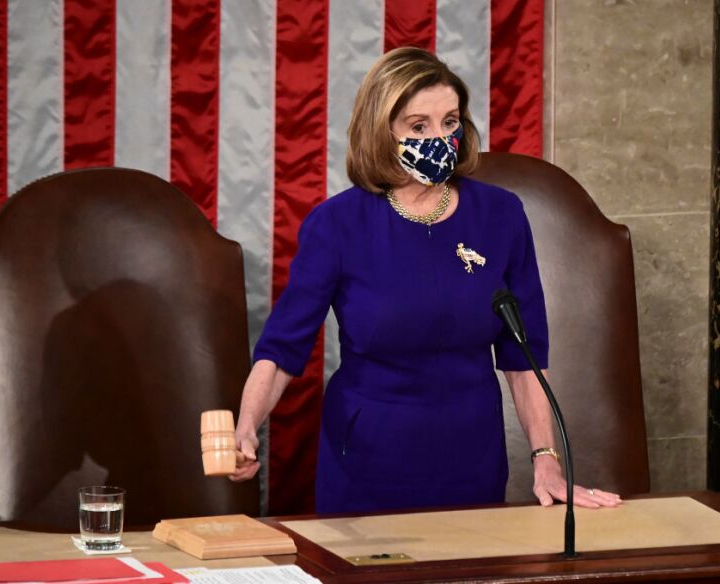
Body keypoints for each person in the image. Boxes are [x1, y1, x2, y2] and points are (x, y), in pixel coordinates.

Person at [229, 47, 621, 514]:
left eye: (449, 122)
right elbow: (282, 350)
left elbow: (525, 357)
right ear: (382, 130)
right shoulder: (336, 224)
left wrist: (546, 460)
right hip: (367, 460)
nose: (439, 138)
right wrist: (246, 427)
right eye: (419, 126)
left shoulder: (501, 215)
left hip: (472, 455)